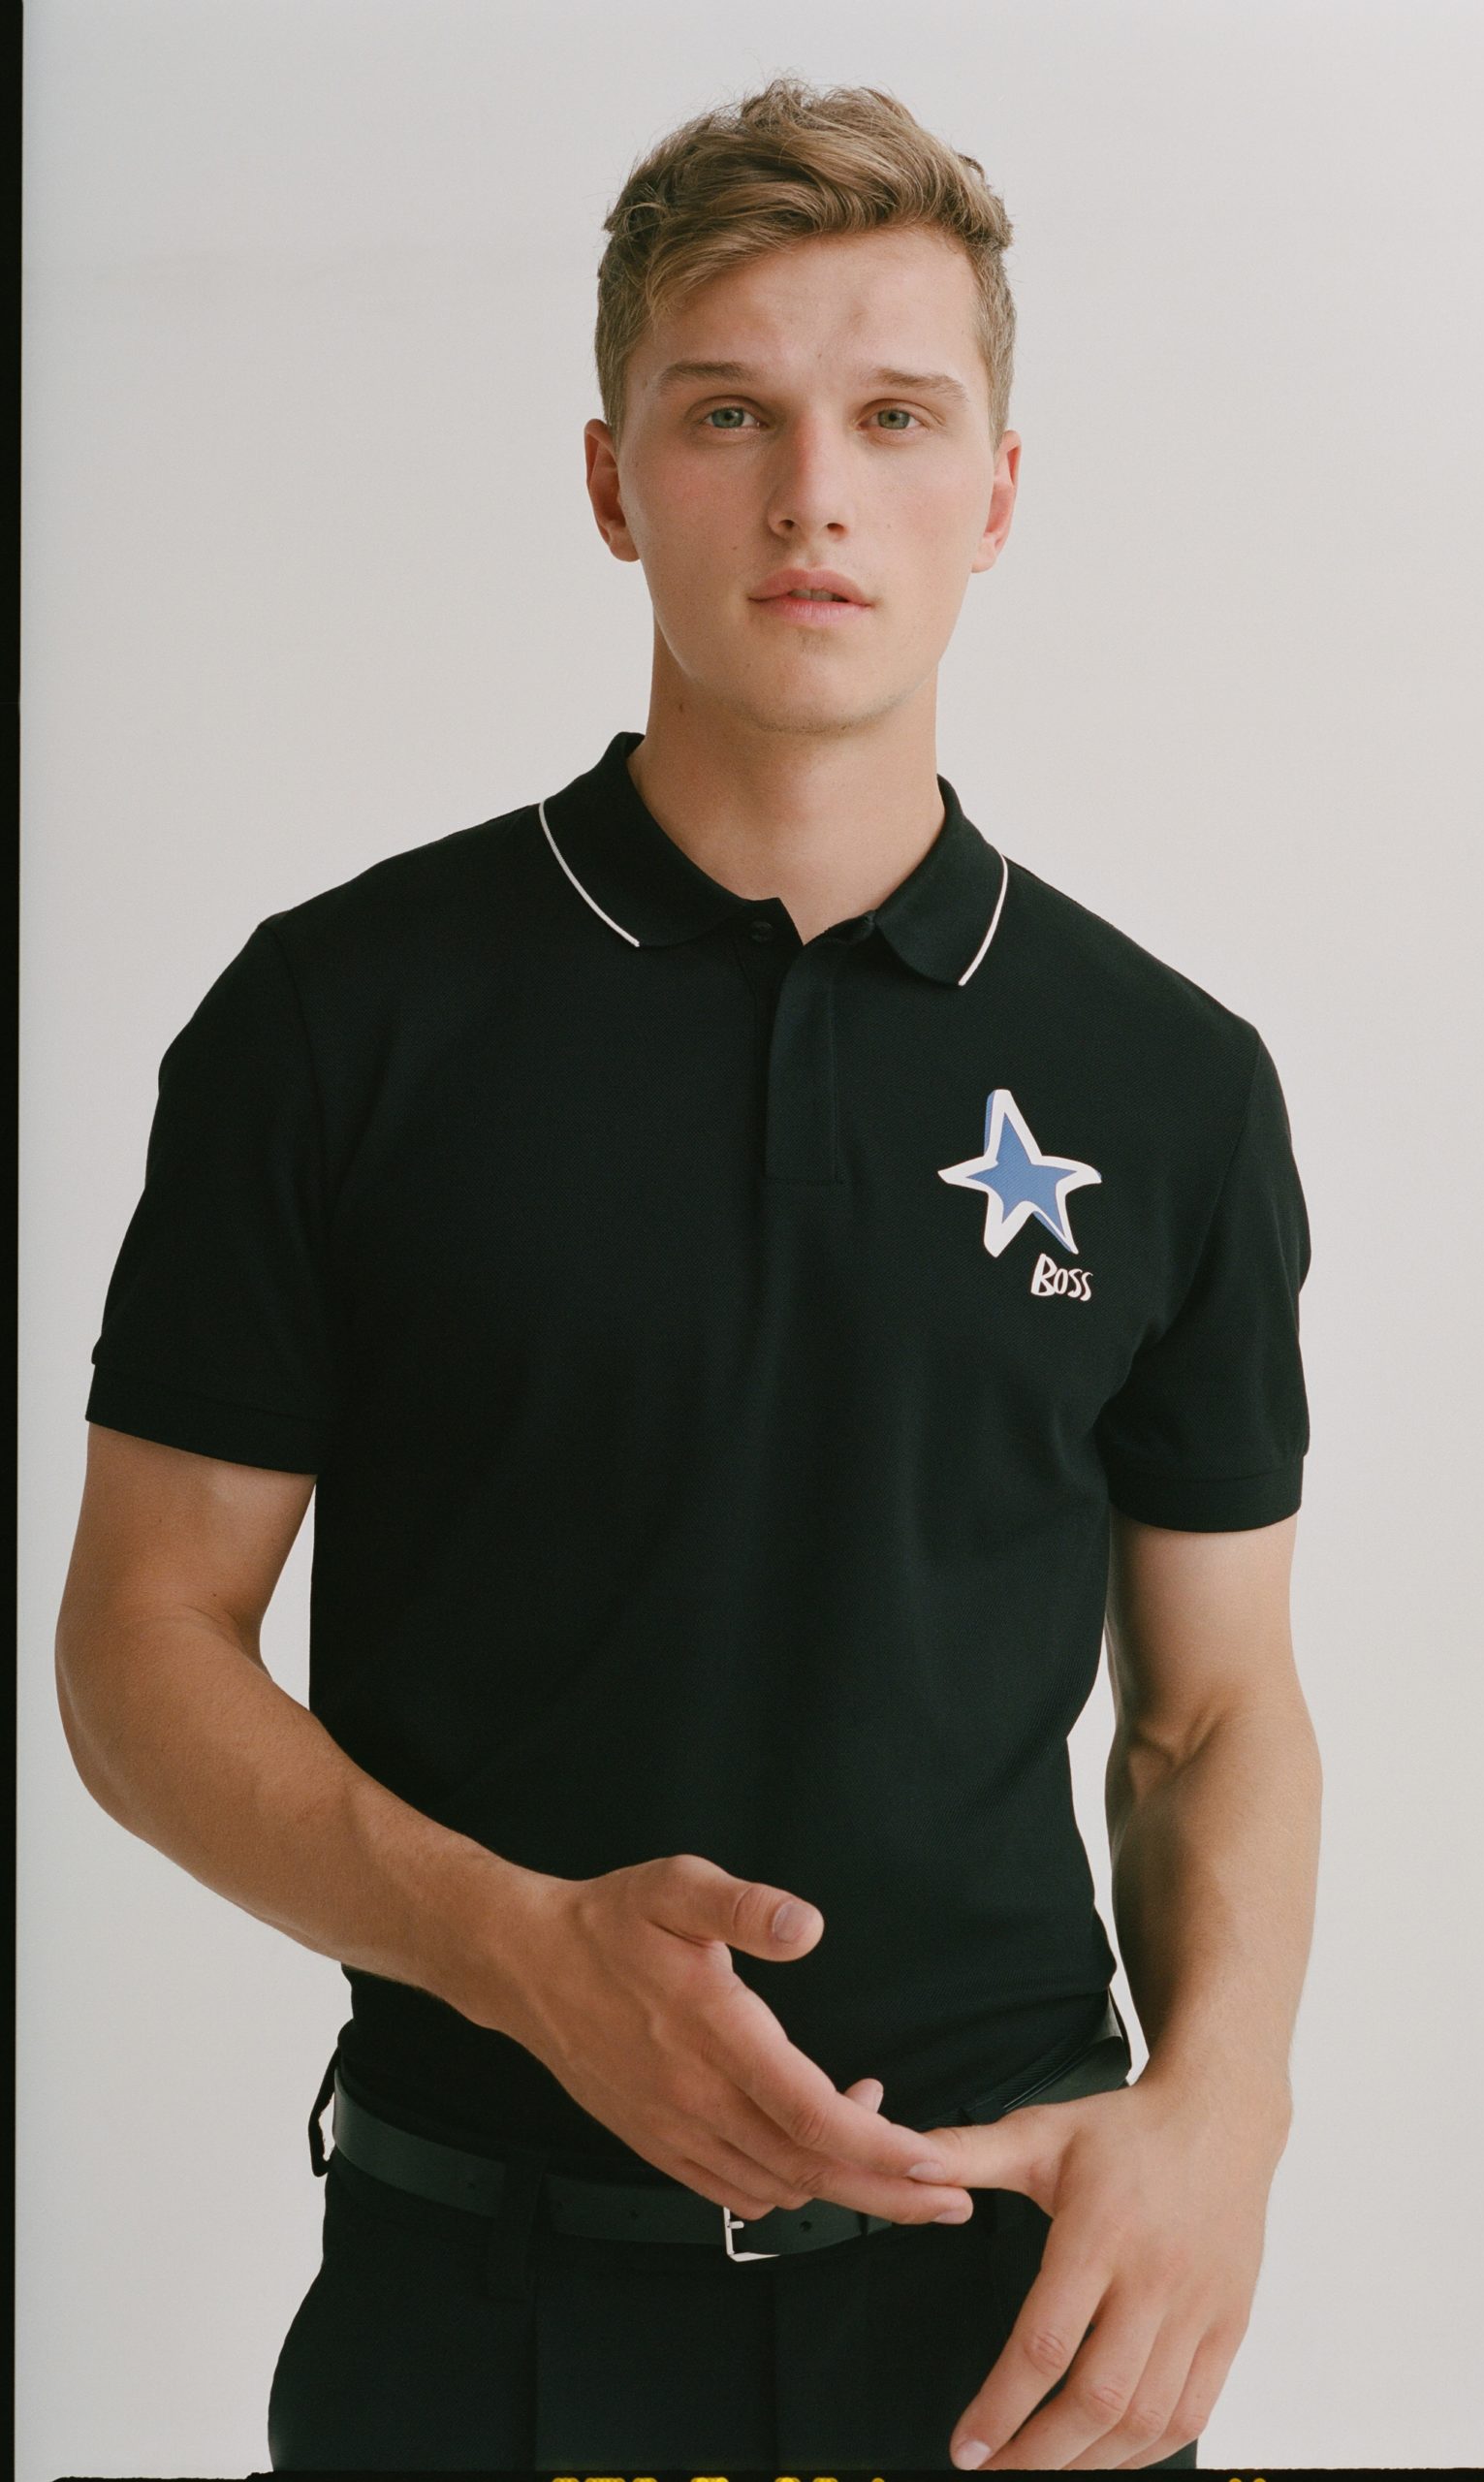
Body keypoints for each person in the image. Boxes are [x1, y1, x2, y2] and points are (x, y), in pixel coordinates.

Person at [55, 73, 1322, 2475]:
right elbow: (137, 1654)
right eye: (727, 411)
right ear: (612, 478)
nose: (813, 490)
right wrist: (522, 1954)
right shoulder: (339, 1019)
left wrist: (1223, 2111)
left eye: (893, 416)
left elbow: (1213, 1709)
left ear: (996, 492)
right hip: (480, 2303)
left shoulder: (1167, 1080)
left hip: (1009, 2316)